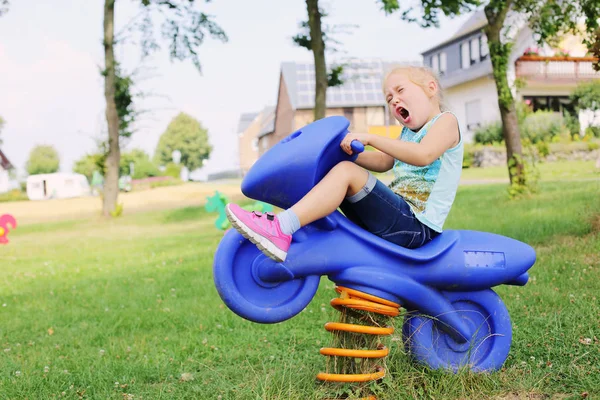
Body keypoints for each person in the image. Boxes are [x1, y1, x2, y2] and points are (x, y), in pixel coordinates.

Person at [226, 65, 463, 262]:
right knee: (337, 169)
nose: (394, 100)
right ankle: (293, 228)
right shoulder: (407, 133)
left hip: (417, 227)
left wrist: (370, 138)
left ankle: (281, 228)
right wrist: (343, 153)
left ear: (431, 87)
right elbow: (383, 161)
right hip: (399, 218)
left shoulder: (445, 122)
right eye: (389, 98)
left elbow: (423, 154)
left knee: (346, 173)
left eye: (400, 90)